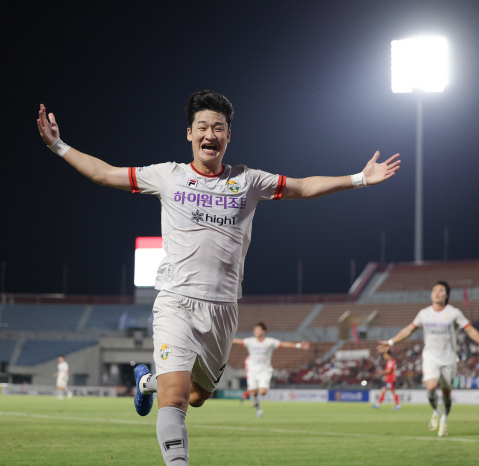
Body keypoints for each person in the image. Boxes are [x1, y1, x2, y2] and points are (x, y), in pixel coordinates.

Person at [37, 90, 400, 465]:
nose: (210, 134)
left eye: (219, 128)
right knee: (175, 398)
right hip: (175, 301)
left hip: (223, 309)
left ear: (228, 137)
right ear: (190, 134)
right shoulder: (168, 176)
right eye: (203, 127)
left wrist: (360, 178)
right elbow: (104, 173)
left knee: (197, 396)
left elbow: (304, 187)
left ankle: (146, 381)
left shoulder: (249, 180)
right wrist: (58, 145)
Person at [377, 281, 479, 438]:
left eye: (441, 291)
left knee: (446, 393)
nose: (437, 293)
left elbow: (470, 330)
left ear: (446, 295)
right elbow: (409, 329)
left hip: (449, 358)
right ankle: (436, 411)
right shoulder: (424, 313)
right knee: (431, 386)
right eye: (434, 290)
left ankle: (444, 419)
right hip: (430, 355)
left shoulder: (454, 313)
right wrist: (391, 342)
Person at [231, 322, 310, 418]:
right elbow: (237, 341)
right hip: (252, 370)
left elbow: (284, 344)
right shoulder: (250, 341)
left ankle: (256, 404)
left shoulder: (270, 342)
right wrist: (222, 338)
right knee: (254, 392)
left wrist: (298, 345)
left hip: (265, 370)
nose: (255, 331)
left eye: (257, 329)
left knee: (263, 392)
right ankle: (258, 409)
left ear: (263, 331)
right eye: (254, 330)